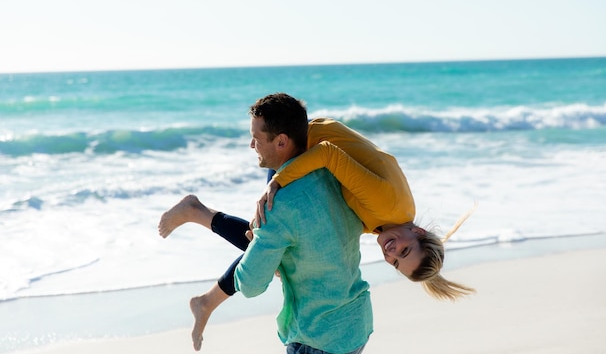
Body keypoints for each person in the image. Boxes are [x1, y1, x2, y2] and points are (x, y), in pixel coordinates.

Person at [159, 102, 475, 350]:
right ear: (417, 232)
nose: (391, 252)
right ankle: (198, 227)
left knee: (279, 244)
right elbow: (328, 154)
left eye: (394, 261)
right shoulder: (387, 205)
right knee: (273, 236)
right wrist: (278, 181)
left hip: (316, 154)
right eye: (404, 250)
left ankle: (204, 282)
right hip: (306, 145)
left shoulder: (385, 224)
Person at [160, 93, 373, 353]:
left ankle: (197, 215)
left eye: (256, 138)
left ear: (282, 140)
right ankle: (197, 218)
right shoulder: (335, 170)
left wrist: (267, 259)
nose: (251, 145)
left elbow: (250, 285)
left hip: (319, 338)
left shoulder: (279, 207)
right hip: (356, 323)